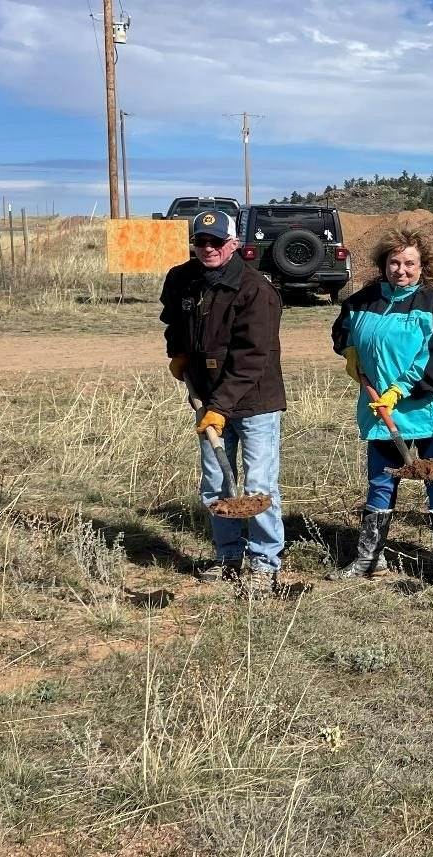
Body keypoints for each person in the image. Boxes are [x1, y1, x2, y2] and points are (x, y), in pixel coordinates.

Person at [159, 210, 286, 596]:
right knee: (216, 481)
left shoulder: (254, 290)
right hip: (208, 395)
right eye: (202, 241)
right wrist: (178, 353)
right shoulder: (182, 279)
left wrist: (221, 406)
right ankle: (228, 555)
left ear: (235, 245)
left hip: (254, 399)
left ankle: (265, 562)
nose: (209, 248)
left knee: (260, 483)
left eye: (218, 242)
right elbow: (174, 320)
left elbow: (252, 357)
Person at [331, 229, 433, 584]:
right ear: (383, 264)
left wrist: (399, 390)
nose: (401, 270)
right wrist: (349, 351)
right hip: (380, 411)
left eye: (409, 263)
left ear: (424, 266)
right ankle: (369, 559)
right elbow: (342, 330)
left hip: (429, 411)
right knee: (379, 483)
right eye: (394, 262)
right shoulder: (362, 301)